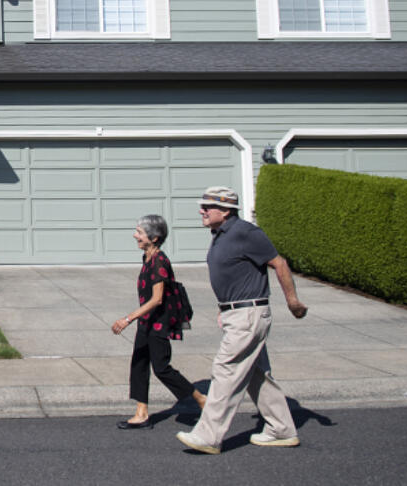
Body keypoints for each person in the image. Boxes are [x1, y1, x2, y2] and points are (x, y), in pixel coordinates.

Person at [176, 186, 308, 455]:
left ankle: (208, 436)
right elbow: (233, 275)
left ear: (225, 211)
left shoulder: (246, 232)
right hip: (236, 313)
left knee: (225, 370)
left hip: (249, 314)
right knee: (257, 375)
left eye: (207, 207)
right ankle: (281, 429)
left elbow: (279, 263)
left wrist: (292, 301)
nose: (201, 211)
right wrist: (224, 309)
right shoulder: (222, 234)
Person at [111, 214, 206, 429]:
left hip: (158, 323)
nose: (135, 235)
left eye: (140, 232)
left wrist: (128, 319)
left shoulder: (160, 262)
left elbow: (157, 299)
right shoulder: (148, 257)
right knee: (139, 364)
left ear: (154, 238)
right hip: (146, 321)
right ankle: (141, 412)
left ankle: (202, 400)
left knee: (161, 368)